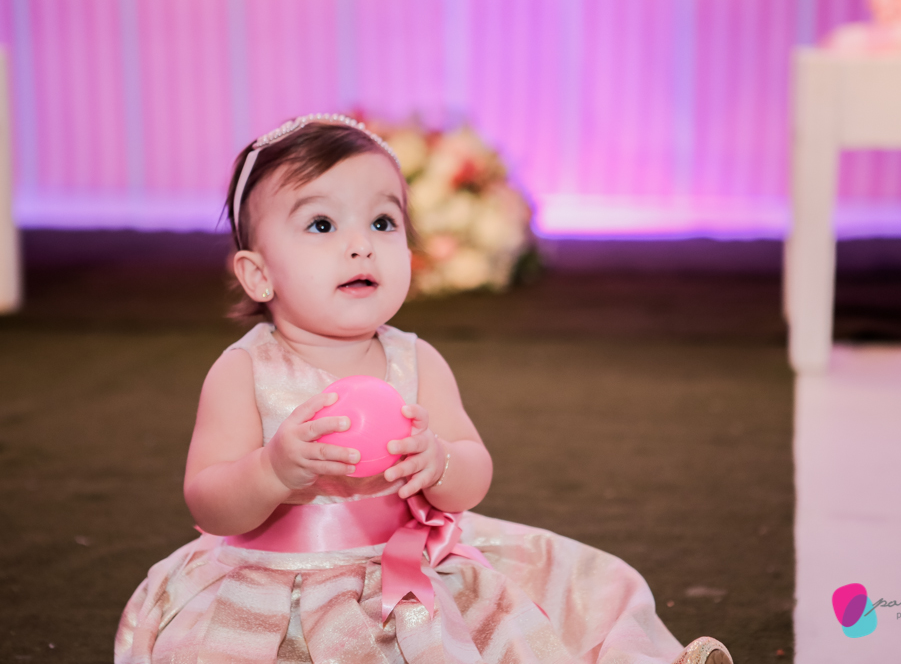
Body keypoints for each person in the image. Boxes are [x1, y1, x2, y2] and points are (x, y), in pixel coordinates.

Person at [115, 114, 732, 664]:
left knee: (536, 611)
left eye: (383, 222)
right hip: (280, 578)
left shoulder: (415, 359)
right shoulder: (244, 370)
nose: (361, 244)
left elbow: (473, 469)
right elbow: (208, 502)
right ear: (258, 274)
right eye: (322, 224)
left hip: (406, 563)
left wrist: (439, 463)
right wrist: (271, 470)